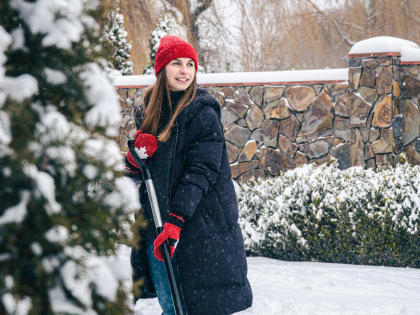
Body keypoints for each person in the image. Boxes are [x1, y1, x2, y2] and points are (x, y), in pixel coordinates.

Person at [125, 35, 253, 315]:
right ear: (161, 70)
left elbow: (201, 171)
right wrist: (135, 160)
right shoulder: (150, 113)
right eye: (176, 64)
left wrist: (176, 220)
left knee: (189, 307)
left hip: (196, 230)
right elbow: (144, 175)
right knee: (171, 304)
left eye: (190, 64)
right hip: (157, 227)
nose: (185, 70)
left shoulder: (202, 112)